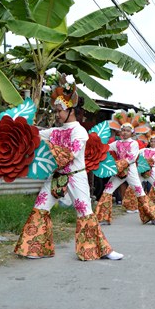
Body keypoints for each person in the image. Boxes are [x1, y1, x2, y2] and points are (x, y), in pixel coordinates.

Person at [15, 73, 122, 260]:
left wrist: (43, 141)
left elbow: (68, 155)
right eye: (55, 111)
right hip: (56, 177)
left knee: (85, 213)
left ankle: (103, 250)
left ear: (70, 110)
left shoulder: (80, 132)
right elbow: (35, 135)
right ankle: (33, 248)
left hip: (76, 177)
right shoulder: (54, 131)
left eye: (59, 111)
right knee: (40, 208)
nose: (56, 115)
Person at [95, 109, 155, 226]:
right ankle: (103, 218)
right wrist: (96, 143)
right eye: (123, 130)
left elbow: (131, 157)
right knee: (107, 191)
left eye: (127, 131)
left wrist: (119, 164)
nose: (125, 133)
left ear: (132, 133)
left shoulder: (134, 143)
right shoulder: (117, 143)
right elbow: (105, 148)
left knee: (139, 192)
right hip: (120, 171)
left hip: (130, 170)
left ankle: (154, 217)